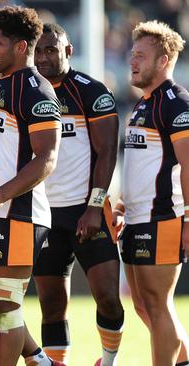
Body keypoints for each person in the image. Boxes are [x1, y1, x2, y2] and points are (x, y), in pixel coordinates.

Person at [0, 6, 62, 365]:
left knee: (6, 306)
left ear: (21, 47)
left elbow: (46, 159)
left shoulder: (38, 90)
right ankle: (39, 359)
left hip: (20, 214)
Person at [32, 23, 125, 366]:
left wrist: (94, 206)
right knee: (52, 304)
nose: (43, 57)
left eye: (51, 50)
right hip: (43, 214)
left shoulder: (91, 91)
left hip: (87, 210)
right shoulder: (26, 92)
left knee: (108, 298)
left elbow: (107, 152)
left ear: (68, 51)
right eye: (38, 50)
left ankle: (108, 360)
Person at [115, 19, 189, 366]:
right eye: (132, 54)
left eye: (141, 56)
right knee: (143, 305)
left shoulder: (176, 104)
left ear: (163, 61)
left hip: (163, 219)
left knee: (158, 305)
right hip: (135, 218)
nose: (132, 61)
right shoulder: (144, 104)